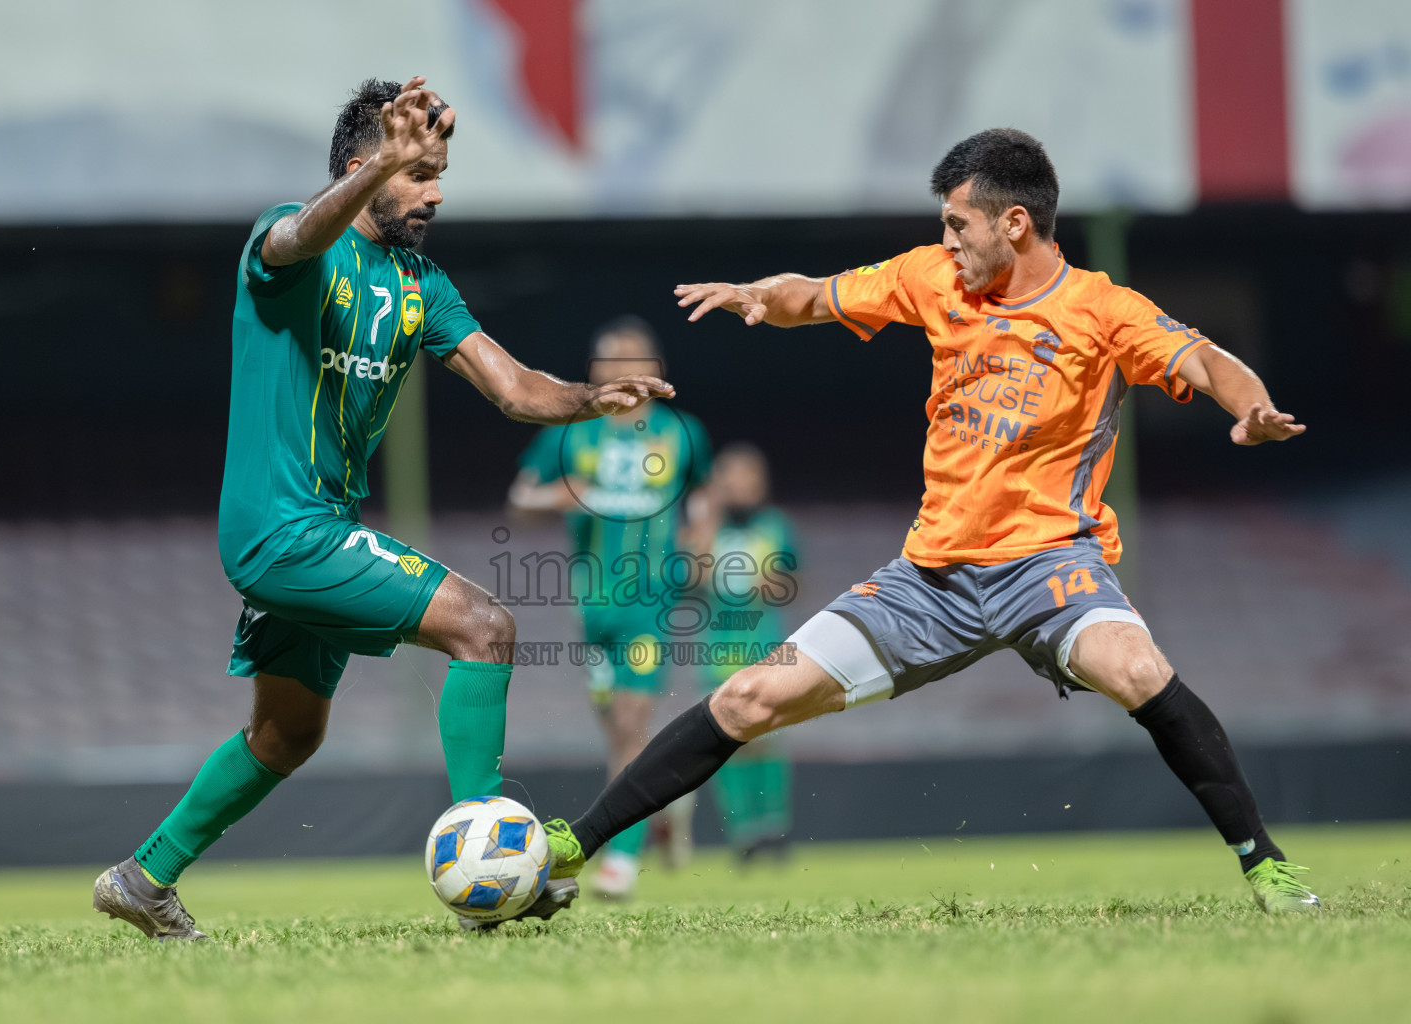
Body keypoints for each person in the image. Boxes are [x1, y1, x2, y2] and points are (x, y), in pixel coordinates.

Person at [539, 128, 1319, 914]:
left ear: (1013, 222)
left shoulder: (1102, 310)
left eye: (958, 224)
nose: (947, 240)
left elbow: (1206, 360)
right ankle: (576, 842)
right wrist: (759, 297)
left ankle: (1266, 865)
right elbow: (813, 294)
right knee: (748, 697)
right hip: (931, 579)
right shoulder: (932, 277)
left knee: (1140, 670)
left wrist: (1249, 405)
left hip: (1050, 567)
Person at [91, 77, 674, 940]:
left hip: (318, 527)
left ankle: (144, 878)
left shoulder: (419, 283)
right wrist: (376, 174)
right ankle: (496, 858)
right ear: (365, 167)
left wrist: (592, 400)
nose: (436, 192)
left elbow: (513, 389)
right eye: (418, 172)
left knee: (287, 735)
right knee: (486, 627)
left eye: (440, 172)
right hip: (284, 529)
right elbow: (297, 236)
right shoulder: (291, 239)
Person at [507, 318, 710, 898]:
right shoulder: (572, 433)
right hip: (592, 606)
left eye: (637, 362)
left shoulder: (681, 433)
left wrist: (699, 545)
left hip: (650, 599)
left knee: (629, 725)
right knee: (614, 729)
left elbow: (706, 497)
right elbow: (520, 499)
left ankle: (620, 860)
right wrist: (566, 494)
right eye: (614, 364)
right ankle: (663, 806)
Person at [686, 443, 797, 861]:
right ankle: (743, 833)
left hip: (766, 644)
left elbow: (794, 581)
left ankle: (775, 825)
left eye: (749, 478)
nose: (740, 487)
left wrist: (773, 582)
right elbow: (691, 581)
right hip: (719, 649)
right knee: (727, 740)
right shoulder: (704, 530)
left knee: (768, 736)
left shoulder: (777, 525)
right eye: (731, 479)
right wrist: (707, 521)